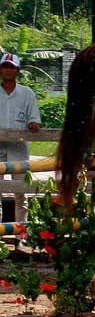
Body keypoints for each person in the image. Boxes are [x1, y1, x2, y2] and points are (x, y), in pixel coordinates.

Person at [0, 53, 40, 246]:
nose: (8, 70)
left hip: (18, 147)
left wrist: (33, 124)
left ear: (17, 70)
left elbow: (34, 119)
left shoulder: (27, 93)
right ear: (1, 70)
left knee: (20, 193)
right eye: (5, 67)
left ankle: (20, 237)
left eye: (11, 67)